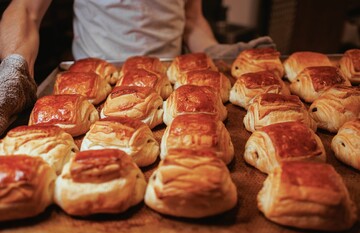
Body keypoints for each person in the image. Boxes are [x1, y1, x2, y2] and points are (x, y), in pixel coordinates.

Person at [0, 0, 274, 135]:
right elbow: (25, 9)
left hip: (170, 88)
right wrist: (14, 69)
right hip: (91, 88)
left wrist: (215, 52)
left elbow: (192, 20)